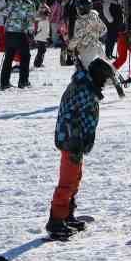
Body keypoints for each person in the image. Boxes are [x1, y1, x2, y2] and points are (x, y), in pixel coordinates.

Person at [47, 59, 111, 240]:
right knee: (67, 181)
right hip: (71, 141)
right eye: (104, 79)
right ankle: (56, 221)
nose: (105, 84)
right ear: (98, 76)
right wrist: (75, 140)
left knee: (75, 178)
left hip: (76, 141)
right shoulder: (83, 89)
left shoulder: (86, 86)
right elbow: (71, 115)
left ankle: (67, 215)